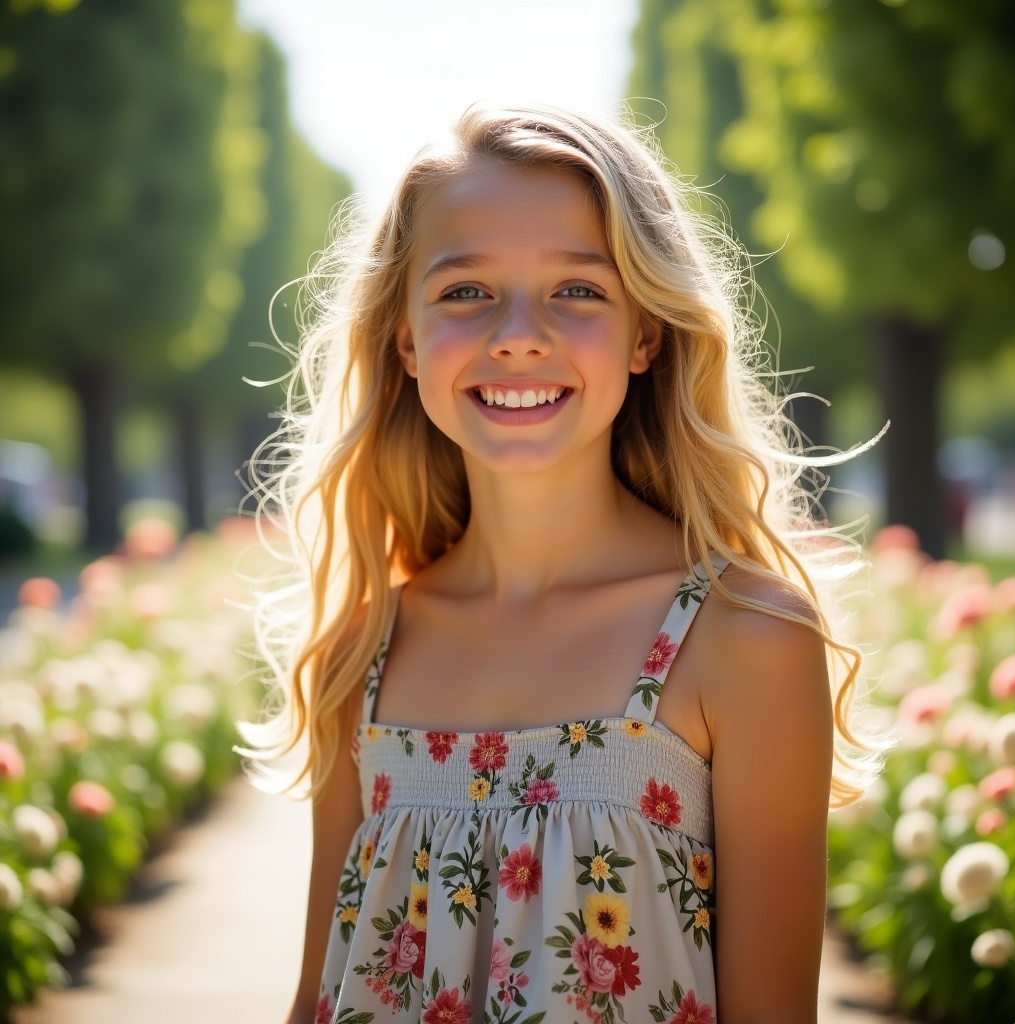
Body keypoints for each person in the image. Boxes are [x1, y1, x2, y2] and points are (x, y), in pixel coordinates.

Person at [242, 104, 877, 1024]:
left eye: (578, 290)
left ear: (646, 335)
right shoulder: (366, 646)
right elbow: (318, 997)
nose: (518, 333)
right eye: (465, 291)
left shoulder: (744, 637)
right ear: (407, 340)